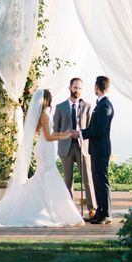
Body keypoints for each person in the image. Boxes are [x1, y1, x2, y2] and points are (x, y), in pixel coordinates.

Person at [0, 89, 84, 227]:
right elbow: (49, 136)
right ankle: (52, 211)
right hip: (45, 148)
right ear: (47, 100)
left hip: (43, 147)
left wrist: (61, 134)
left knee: (43, 178)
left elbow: (42, 132)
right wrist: (65, 135)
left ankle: (48, 208)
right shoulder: (44, 114)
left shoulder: (41, 114)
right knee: (48, 177)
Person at [72, 76, 114, 225]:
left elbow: (100, 129)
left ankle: (106, 214)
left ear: (97, 87)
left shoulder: (105, 106)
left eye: (95, 86)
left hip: (101, 150)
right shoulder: (100, 105)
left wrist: (81, 133)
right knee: (97, 181)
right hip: (96, 150)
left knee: (102, 182)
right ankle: (100, 212)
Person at [53, 77, 96, 220]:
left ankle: (92, 208)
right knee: (68, 181)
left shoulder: (88, 107)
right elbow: (56, 128)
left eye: (79, 88)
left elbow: (90, 128)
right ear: (70, 88)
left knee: (87, 179)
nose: (77, 90)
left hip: (82, 147)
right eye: (75, 87)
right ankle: (70, 210)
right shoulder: (60, 107)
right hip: (66, 148)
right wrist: (65, 135)